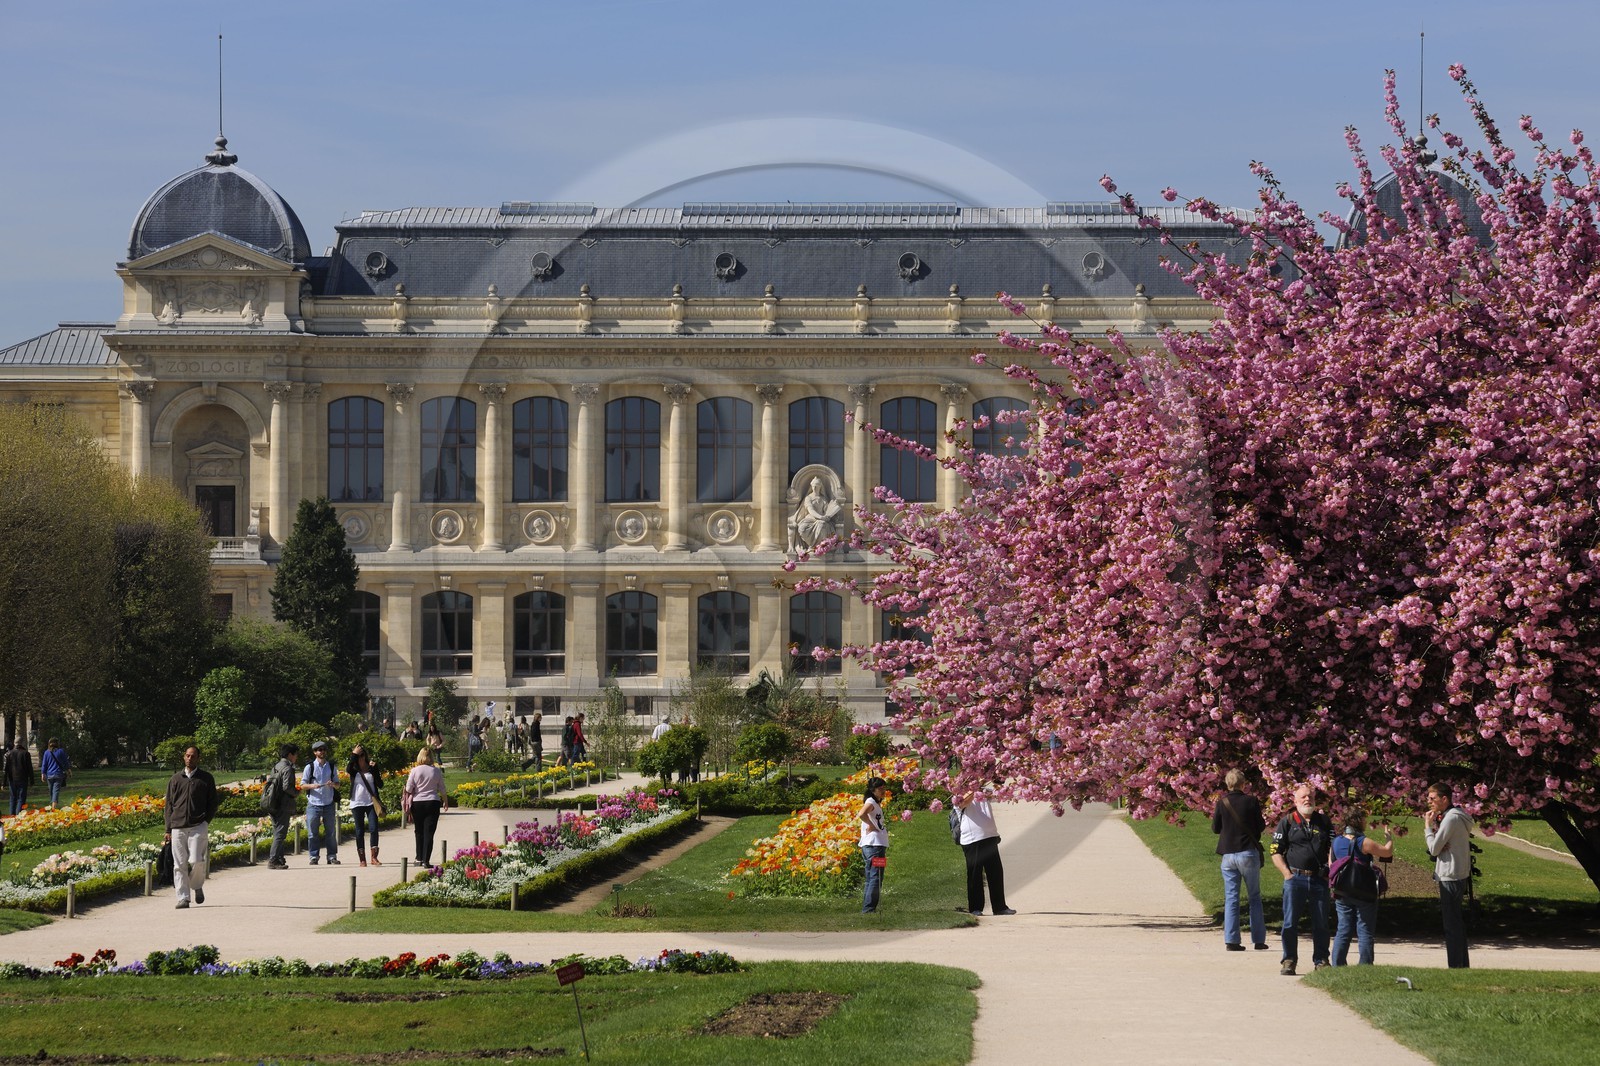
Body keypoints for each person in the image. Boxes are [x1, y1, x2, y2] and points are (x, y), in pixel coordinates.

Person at [1270, 783, 1333, 975]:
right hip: (1295, 879)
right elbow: (1275, 851)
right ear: (1295, 801)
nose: (1307, 800)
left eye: (1310, 797)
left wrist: (1329, 871)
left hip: (1319, 880)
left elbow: (1332, 848)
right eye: (1303, 797)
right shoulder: (1287, 822)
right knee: (1289, 923)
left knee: (1321, 923)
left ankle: (1321, 960)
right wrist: (1286, 874)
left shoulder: (1324, 822)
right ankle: (1289, 960)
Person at [1211, 768, 1268, 952]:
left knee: (1231, 898)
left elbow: (1215, 828)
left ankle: (1232, 940)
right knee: (1254, 897)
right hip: (1247, 852)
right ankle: (1258, 940)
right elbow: (1260, 825)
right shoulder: (1251, 801)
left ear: (1228, 784)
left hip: (1228, 855)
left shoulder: (1222, 802)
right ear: (1243, 784)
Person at [1330, 810, 1395, 966]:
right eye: (1364, 819)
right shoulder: (1362, 841)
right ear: (1358, 821)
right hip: (1363, 891)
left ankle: (1338, 965)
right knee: (1365, 929)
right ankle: (1365, 965)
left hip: (1342, 891)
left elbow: (1332, 865)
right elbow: (1386, 852)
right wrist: (1389, 838)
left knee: (1343, 929)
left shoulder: (1336, 841)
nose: (1366, 822)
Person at [1424, 782, 1473, 969]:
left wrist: (1428, 828)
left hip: (1450, 875)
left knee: (1451, 925)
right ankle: (1461, 965)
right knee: (1456, 922)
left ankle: (1456, 966)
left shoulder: (1451, 818)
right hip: (1458, 873)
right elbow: (1440, 845)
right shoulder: (1456, 816)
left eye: (1432, 798)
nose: (1429, 801)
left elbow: (1434, 849)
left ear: (1444, 799)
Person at [163, 744, 217, 909]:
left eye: (193, 756)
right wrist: (168, 828)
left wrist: (205, 821)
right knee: (179, 864)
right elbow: (169, 805)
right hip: (177, 825)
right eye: (187, 755)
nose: (189, 758)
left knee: (196, 860)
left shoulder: (206, 778)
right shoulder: (175, 779)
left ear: (198, 758)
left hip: (198, 825)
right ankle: (183, 898)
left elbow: (213, 803)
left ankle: (197, 885)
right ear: (184, 757)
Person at [954, 792, 1014, 916]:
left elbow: (998, 794)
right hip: (972, 839)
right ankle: (975, 907)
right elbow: (963, 802)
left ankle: (999, 907)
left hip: (990, 836)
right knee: (975, 874)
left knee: (995, 873)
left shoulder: (983, 790)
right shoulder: (958, 793)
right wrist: (974, 788)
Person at [403, 746, 447, 865]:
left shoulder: (415, 770)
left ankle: (419, 858)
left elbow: (408, 788)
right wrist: (445, 801)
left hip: (417, 803)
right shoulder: (436, 771)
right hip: (433, 802)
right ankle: (426, 860)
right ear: (431, 757)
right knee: (429, 832)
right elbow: (442, 788)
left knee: (419, 831)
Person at [301, 740, 341, 865]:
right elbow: (302, 785)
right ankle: (314, 856)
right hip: (314, 803)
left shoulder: (331, 766)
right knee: (312, 833)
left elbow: (338, 785)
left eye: (324, 749)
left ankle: (331, 856)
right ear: (315, 752)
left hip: (328, 803)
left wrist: (333, 784)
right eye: (319, 750)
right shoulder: (310, 767)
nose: (322, 752)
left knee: (331, 833)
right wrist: (313, 786)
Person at [263, 742, 298, 869]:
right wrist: (296, 793)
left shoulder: (276, 766)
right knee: (280, 833)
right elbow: (286, 787)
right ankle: (273, 860)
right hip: (283, 804)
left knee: (277, 831)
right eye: (296, 754)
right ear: (290, 755)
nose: (296, 757)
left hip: (272, 802)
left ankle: (279, 859)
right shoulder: (288, 768)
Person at [347, 745, 382, 867]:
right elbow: (348, 768)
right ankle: (362, 859)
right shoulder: (353, 769)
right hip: (357, 803)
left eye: (362, 755)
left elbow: (380, 784)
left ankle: (374, 857)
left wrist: (375, 770)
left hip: (371, 803)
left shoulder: (372, 767)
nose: (361, 758)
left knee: (374, 828)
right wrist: (354, 754)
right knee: (359, 831)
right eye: (358, 756)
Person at [859, 776, 889, 914]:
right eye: (880, 789)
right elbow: (862, 814)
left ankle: (868, 907)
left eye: (884, 788)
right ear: (873, 790)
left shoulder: (874, 802)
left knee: (871, 877)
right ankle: (869, 909)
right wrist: (871, 825)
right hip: (875, 846)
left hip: (873, 846)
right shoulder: (870, 802)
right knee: (876, 877)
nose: (883, 791)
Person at [4, 739, 33, 815]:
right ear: (22, 743)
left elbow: (6, 769)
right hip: (22, 778)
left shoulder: (9, 753)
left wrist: (4, 782)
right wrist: (31, 780)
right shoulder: (26, 753)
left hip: (12, 779)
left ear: (14, 743)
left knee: (13, 798)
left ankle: (11, 815)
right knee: (21, 798)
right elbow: (30, 768)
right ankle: (18, 815)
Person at [39, 738, 70, 808]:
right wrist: (69, 770)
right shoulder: (61, 751)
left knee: (51, 791)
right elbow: (65, 762)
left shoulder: (47, 752)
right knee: (55, 791)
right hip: (58, 774)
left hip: (49, 775)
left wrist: (43, 774)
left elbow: (44, 764)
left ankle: (53, 805)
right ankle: (53, 806)